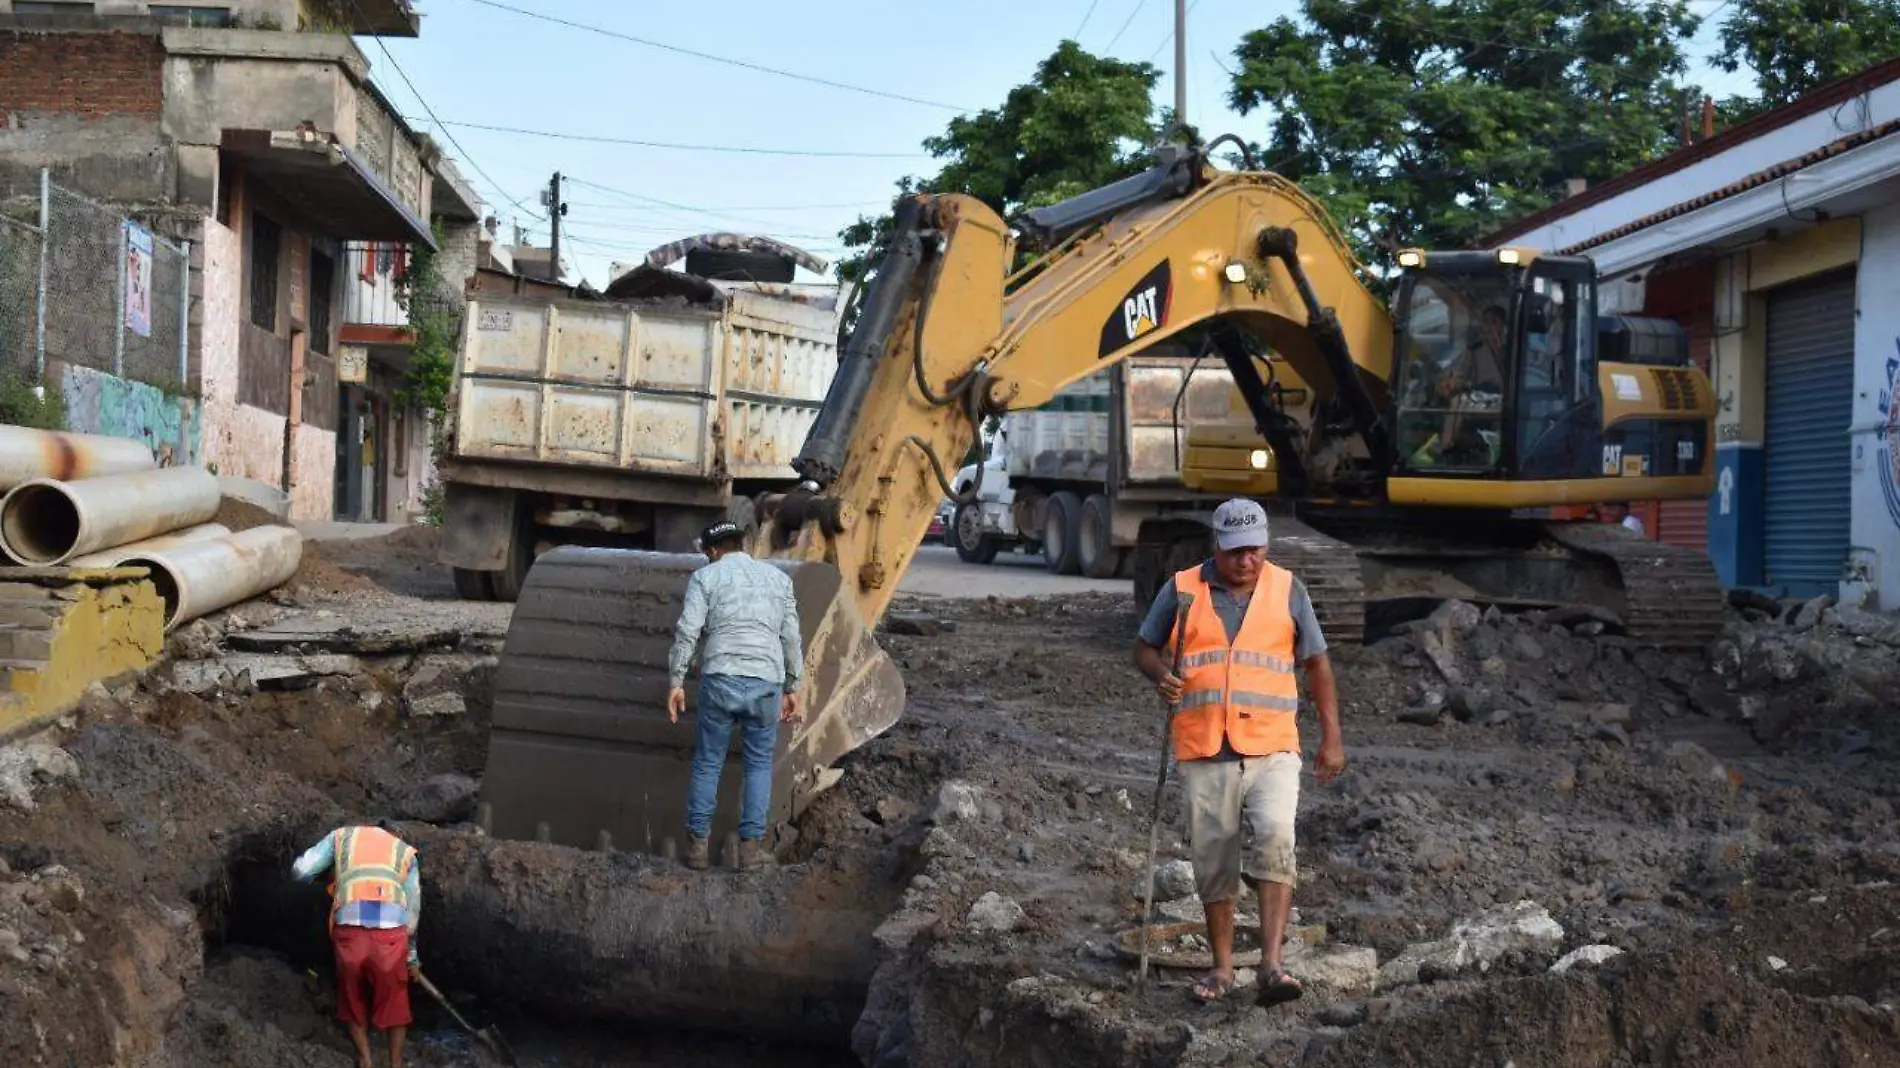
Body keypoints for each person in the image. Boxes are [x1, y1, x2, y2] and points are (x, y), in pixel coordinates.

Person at [1132, 498, 1346, 1007]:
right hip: (1204, 746)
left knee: (1275, 839)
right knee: (1214, 858)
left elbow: (1317, 664)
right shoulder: (1183, 589)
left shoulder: (1288, 589)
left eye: (1254, 551)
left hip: (1273, 745)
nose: (1246, 561)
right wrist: (1161, 675)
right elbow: (1143, 648)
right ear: (1216, 546)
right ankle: (1223, 967)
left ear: (1266, 544)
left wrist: (1332, 736)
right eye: (1235, 553)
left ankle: (1272, 965)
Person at [666, 519, 804, 872]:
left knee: (709, 761)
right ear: (742, 545)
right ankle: (751, 853)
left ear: (713, 551)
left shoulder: (706, 578)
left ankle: (697, 851)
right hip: (765, 683)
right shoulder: (778, 579)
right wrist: (792, 687)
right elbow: (791, 638)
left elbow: (688, 632)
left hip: (720, 679)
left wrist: (676, 682)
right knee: (758, 765)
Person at [291, 821, 421, 1068]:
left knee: (351, 995)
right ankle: (396, 1064)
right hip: (390, 935)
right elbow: (412, 913)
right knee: (395, 999)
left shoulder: (342, 837)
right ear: (394, 835)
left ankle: (366, 1060)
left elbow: (300, 872)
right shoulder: (405, 852)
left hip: (350, 931)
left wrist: (331, 876)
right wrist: (412, 957)